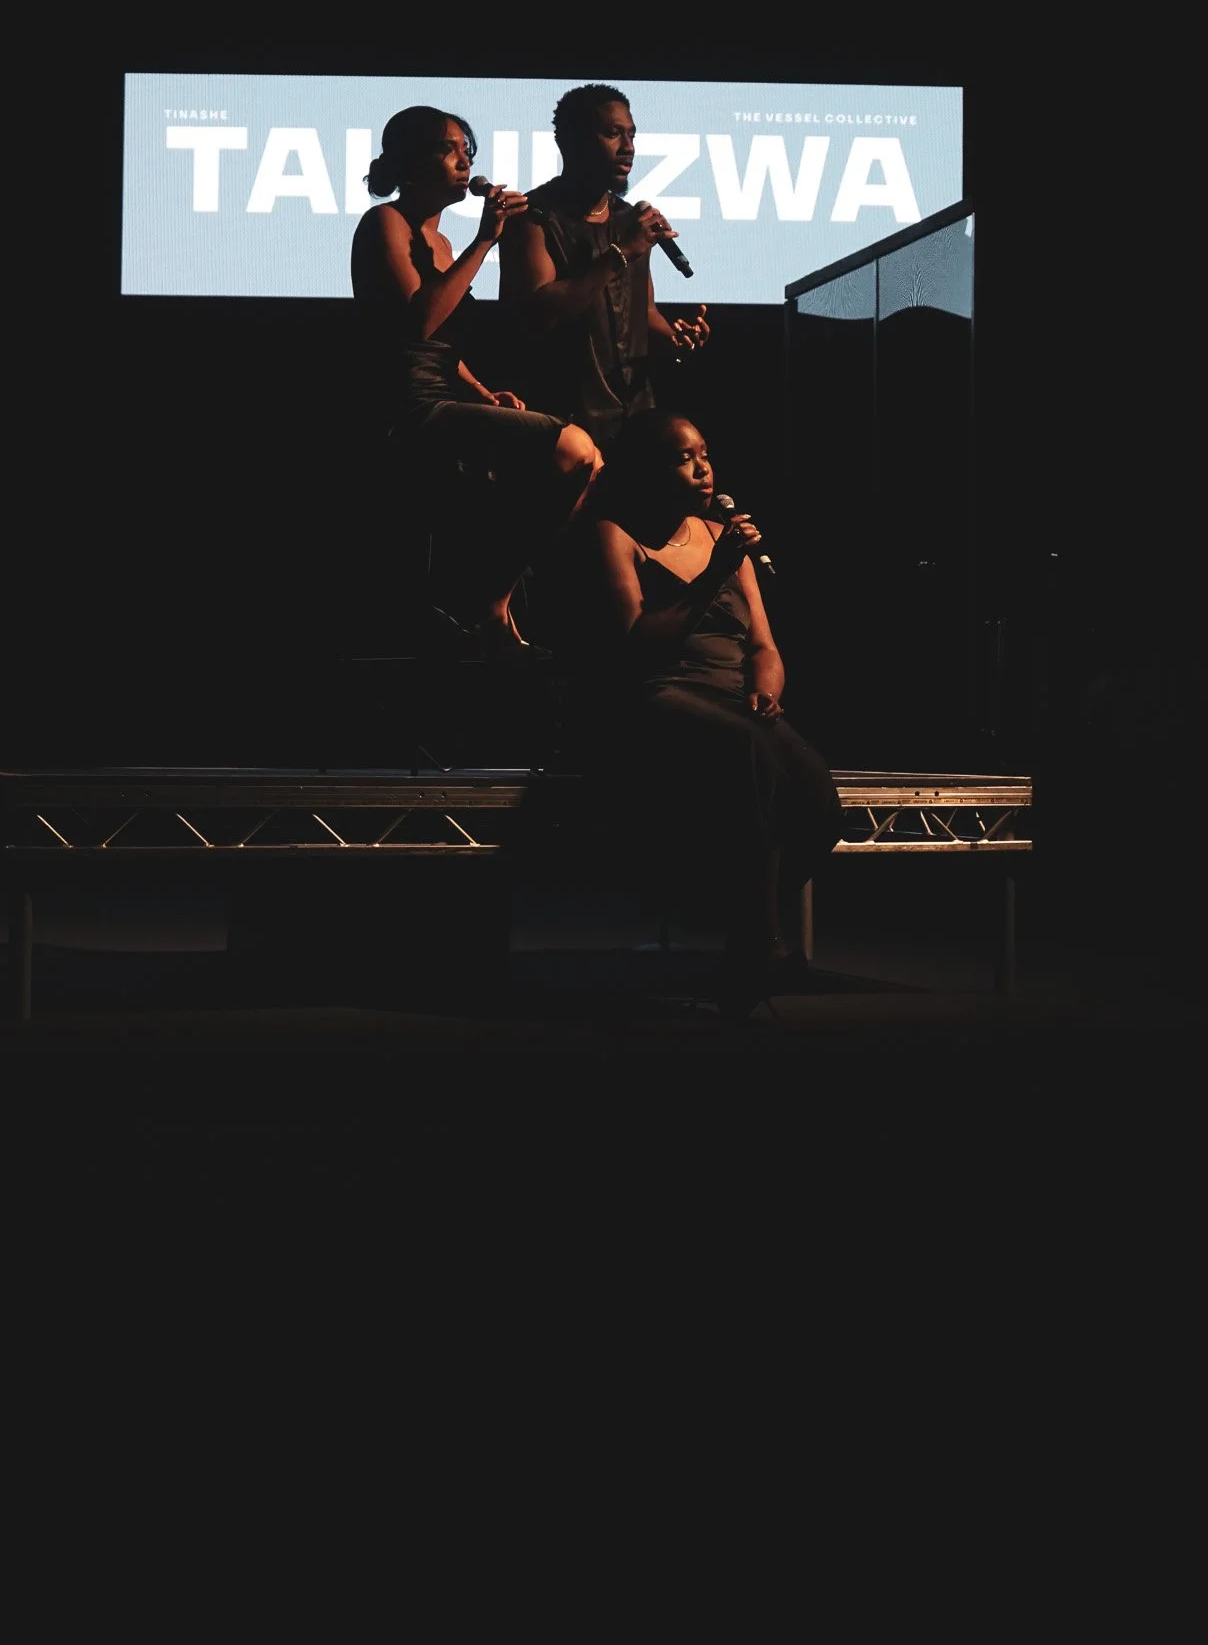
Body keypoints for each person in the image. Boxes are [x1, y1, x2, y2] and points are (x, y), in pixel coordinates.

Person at [577, 409, 843, 1011]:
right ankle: (760, 945)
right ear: (648, 470)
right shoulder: (617, 534)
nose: (702, 468)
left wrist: (767, 687)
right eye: (682, 457)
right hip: (663, 691)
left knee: (817, 795)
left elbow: (764, 645)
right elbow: (636, 641)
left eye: (704, 453)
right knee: (752, 754)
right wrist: (712, 576)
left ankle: (748, 929)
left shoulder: (727, 543)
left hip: (736, 699)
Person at [351, 104, 602, 653]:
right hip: (406, 407)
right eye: (450, 149)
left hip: (443, 396)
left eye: (469, 150)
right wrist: (486, 240)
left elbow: (446, 349)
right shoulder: (385, 223)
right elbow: (420, 323)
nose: (465, 161)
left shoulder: (441, 245)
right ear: (413, 162)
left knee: (581, 469)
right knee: (575, 452)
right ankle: (493, 596)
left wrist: (486, 395)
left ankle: (493, 593)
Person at [497, 84, 711, 445]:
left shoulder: (631, 220)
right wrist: (621, 253)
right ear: (572, 141)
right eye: (612, 134)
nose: (627, 147)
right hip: (564, 417)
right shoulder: (534, 217)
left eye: (632, 135)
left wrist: (675, 338)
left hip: (636, 415)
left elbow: (641, 310)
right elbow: (537, 313)